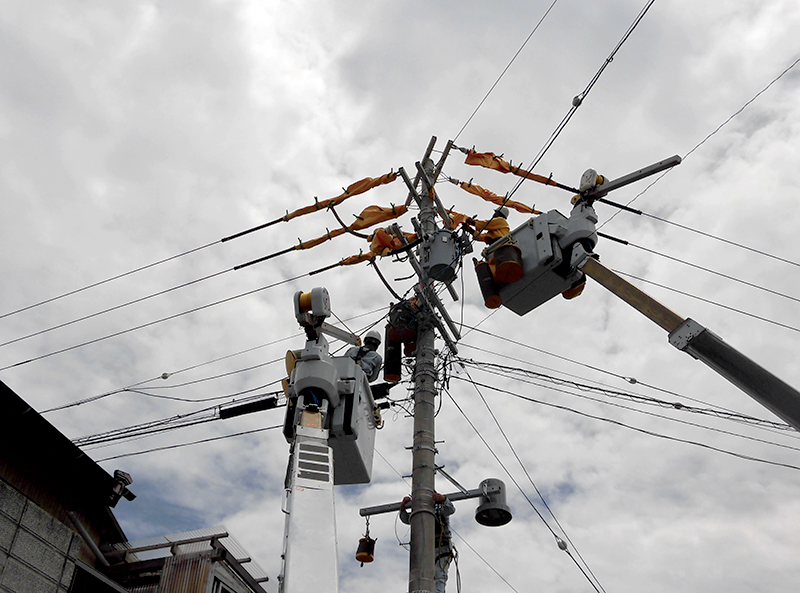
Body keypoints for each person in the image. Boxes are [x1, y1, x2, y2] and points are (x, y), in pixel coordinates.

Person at [399, 493, 456, 593]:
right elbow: (406, 519)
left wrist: (443, 499)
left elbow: (451, 509)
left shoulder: (441, 509)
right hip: (424, 548)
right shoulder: (419, 512)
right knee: (421, 576)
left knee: (439, 575)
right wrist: (403, 507)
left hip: (441, 548)